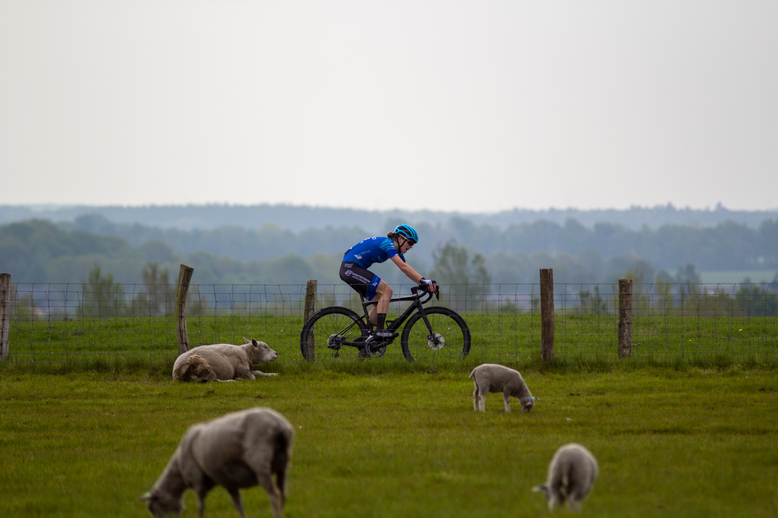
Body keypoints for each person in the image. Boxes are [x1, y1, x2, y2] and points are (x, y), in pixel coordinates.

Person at [340, 224, 435, 339]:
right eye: (410, 243)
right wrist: (424, 281)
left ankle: (366, 339)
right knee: (387, 291)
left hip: (352, 269)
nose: (411, 247)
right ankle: (379, 331)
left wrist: (423, 282)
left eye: (413, 244)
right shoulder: (388, 244)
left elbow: (406, 269)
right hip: (350, 268)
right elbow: (403, 267)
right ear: (400, 239)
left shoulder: (396, 250)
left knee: (380, 302)